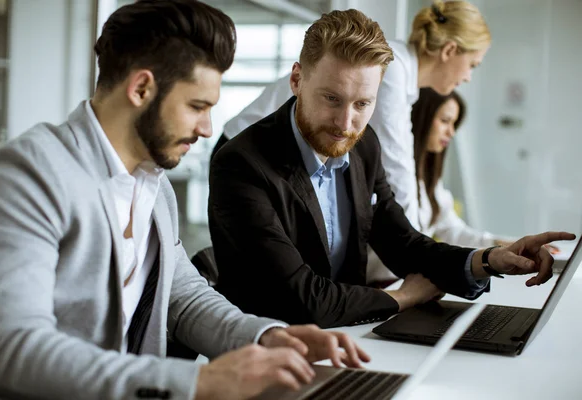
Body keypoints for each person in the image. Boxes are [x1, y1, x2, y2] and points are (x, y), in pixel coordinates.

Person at [0, 2, 370, 399]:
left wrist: (267, 337)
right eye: (197, 107)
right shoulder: (25, 177)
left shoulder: (154, 185)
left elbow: (182, 298)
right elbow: (8, 349)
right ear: (141, 89)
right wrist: (198, 382)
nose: (207, 129)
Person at [208, 8, 574, 328]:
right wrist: (404, 297)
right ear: (296, 81)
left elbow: (402, 241)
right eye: (331, 99)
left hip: (345, 337)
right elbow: (304, 299)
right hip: (271, 351)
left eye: (363, 103)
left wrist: (489, 259)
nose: (345, 123)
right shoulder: (240, 165)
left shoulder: (364, 145)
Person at [212, 0, 490, 233]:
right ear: (450, 50)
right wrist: (417, 257)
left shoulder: (401, 76)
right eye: (473, 65)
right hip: (246, 150)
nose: (467, 77)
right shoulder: (392, 71)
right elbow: (398, 171)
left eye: (361, 104)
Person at [411, 88, 515, 247]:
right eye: (445, 121)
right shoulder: (396, 175)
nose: (451, 132)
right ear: (421, 117)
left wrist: (503, 244)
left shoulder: (429, 177)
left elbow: (452, 231)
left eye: (454, 124)